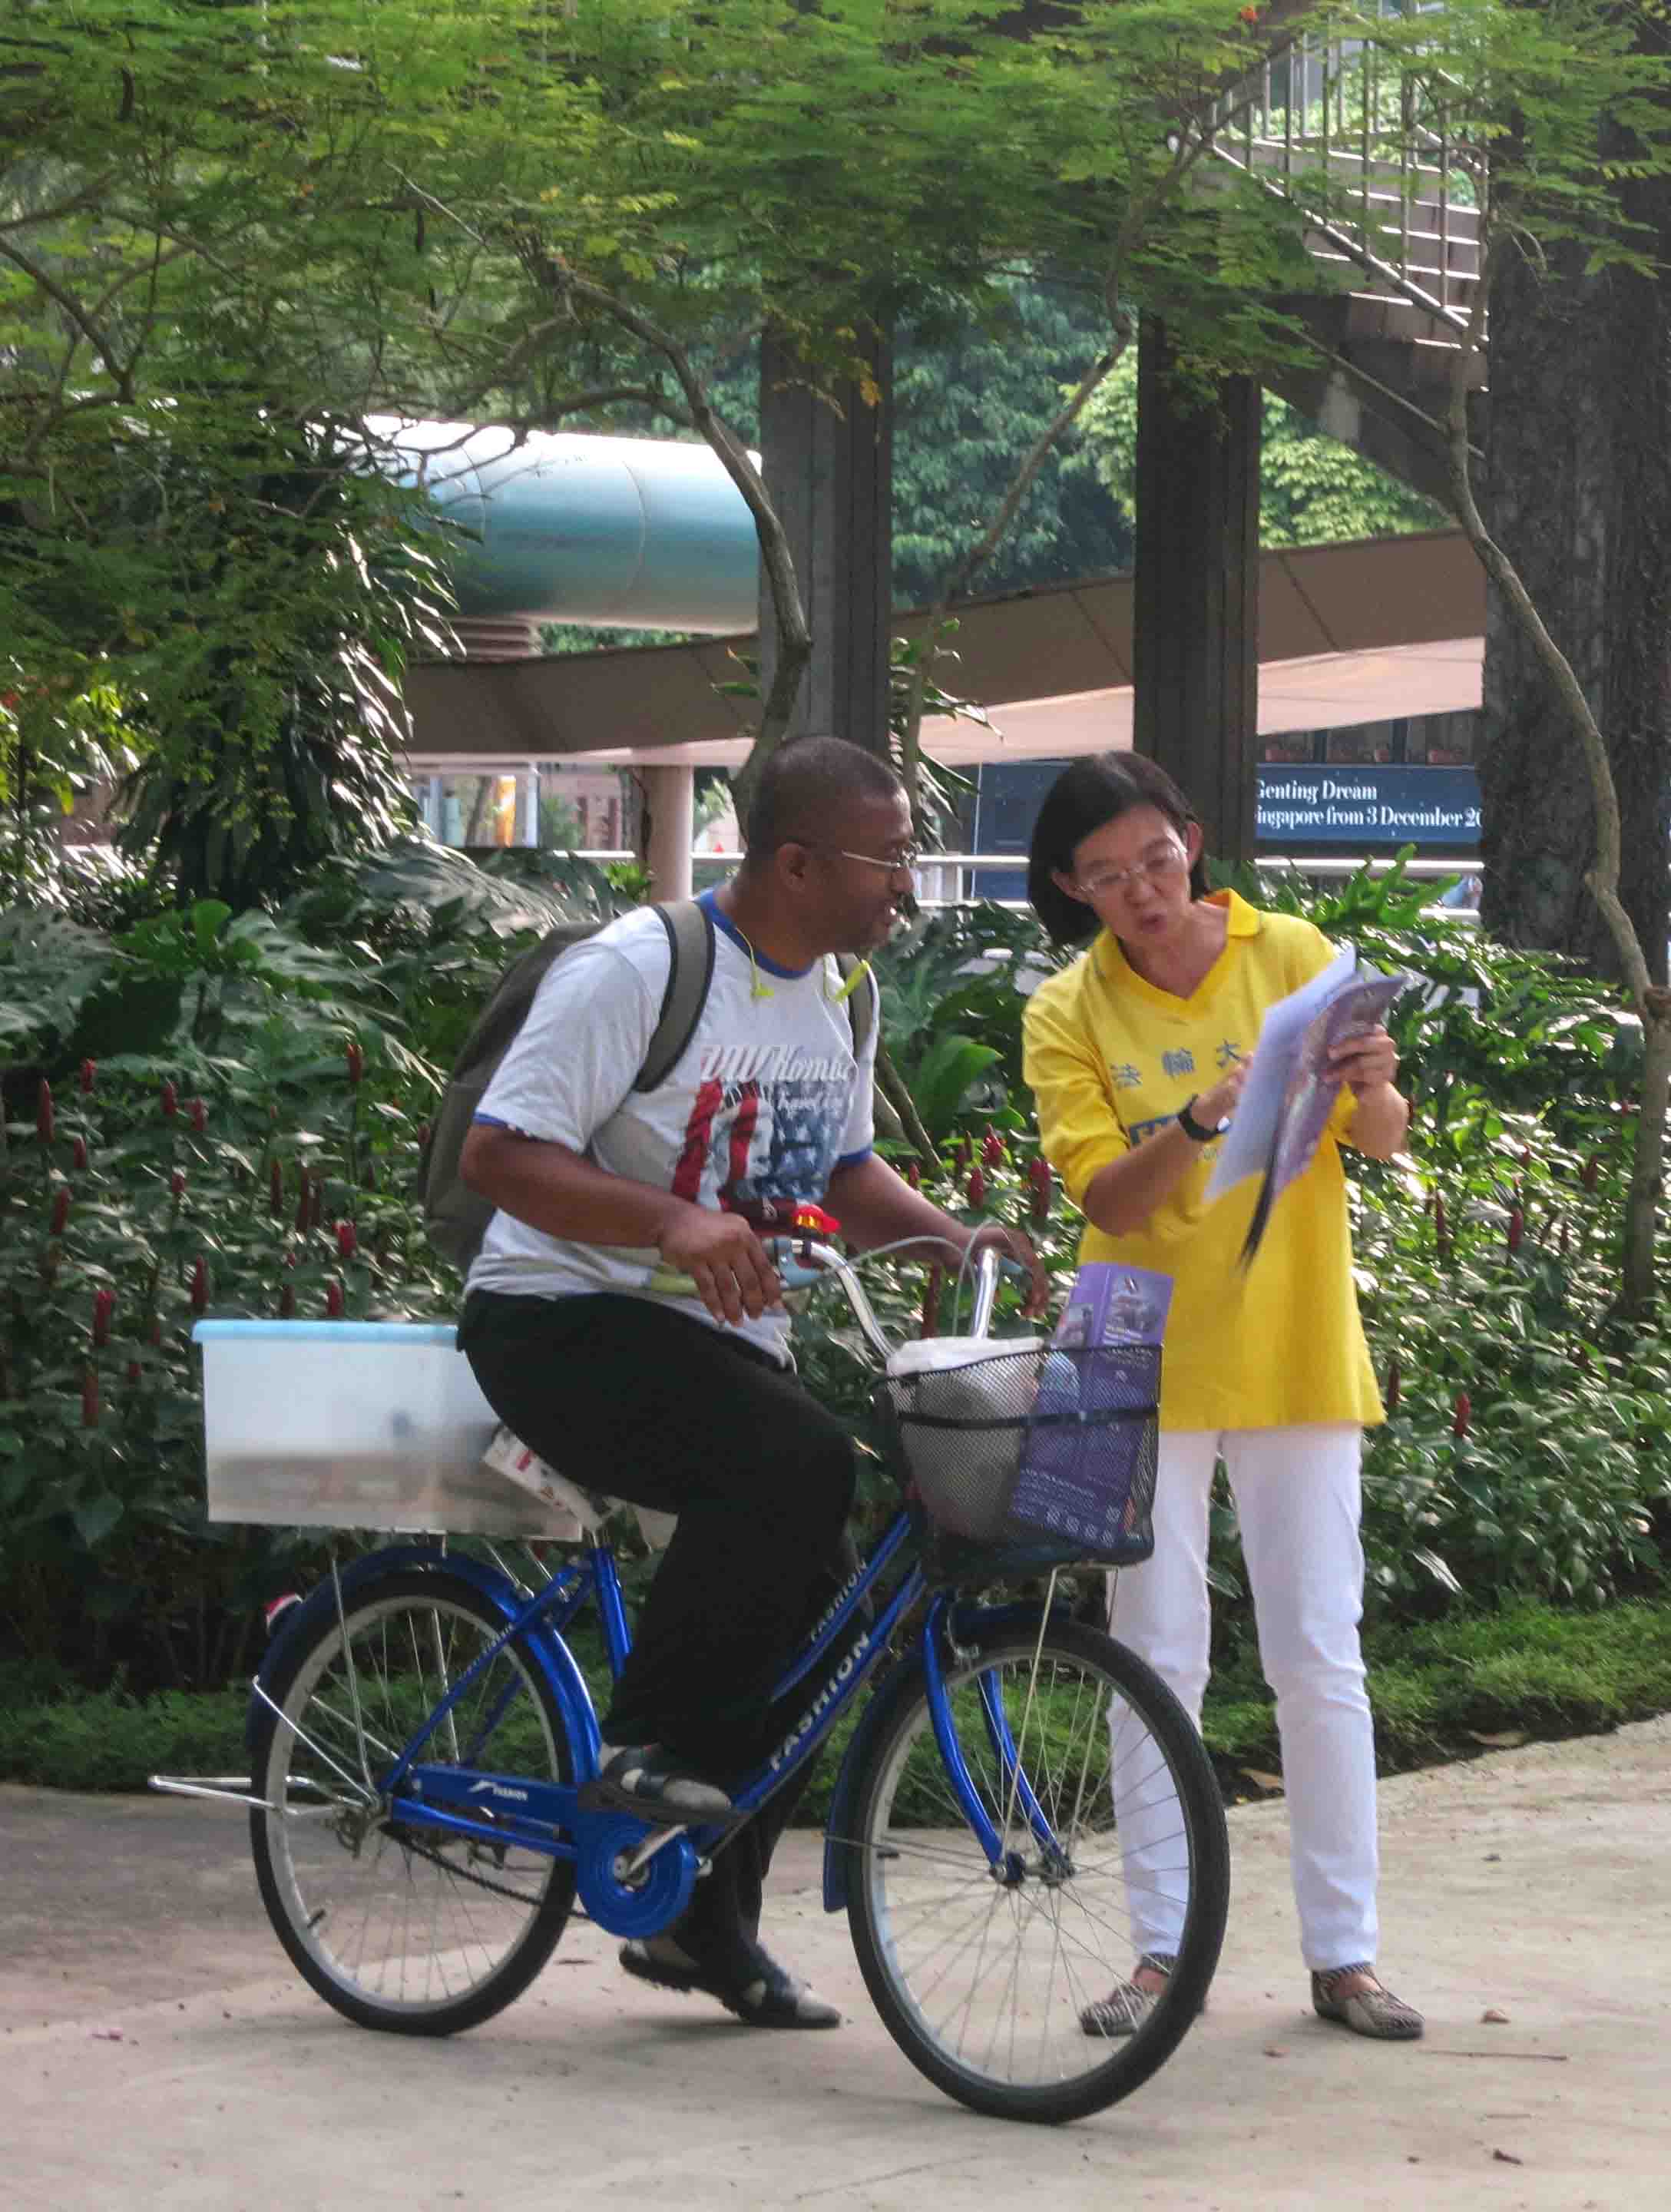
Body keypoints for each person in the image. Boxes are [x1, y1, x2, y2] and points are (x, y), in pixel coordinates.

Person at [457, 733, 1047, 2032]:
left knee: (826, 1622)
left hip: (716, 1341)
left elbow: (840, 1171)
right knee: (795, 1463)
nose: (906, 884)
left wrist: (953, 1238)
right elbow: (500, 1155)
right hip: (556, 1318)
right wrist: (670, 1223)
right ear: (795, 864)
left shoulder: (837, 994)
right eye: (889, 858)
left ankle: (700, 1921)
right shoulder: (641, 970)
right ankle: (642, 1756)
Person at [1020, 752, 1424, 2045]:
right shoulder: (1066, 1008)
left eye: (1156, 858)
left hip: (1291, 1335)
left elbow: (1381, 1140)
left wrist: (1373, 1084)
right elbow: (1104, 1198)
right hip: (1130, 1350)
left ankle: (1345, 1957)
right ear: (1067, 888)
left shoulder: (1292, 952)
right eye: (1105, 876)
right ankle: (1161, 1956)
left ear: (1191, 841)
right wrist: (1197, 1121)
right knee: (1153, 1657)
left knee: (1319, 1651)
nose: (1142, 891)